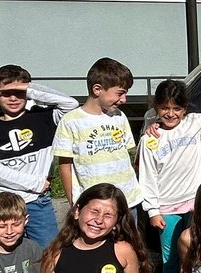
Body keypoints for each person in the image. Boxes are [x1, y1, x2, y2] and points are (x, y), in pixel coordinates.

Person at [0, 65, 79, 248]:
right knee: (10, 252)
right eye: (6, 93)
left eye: (19, 92)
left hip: (38, 202)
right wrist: (36, 183)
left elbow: (70, 104)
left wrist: (30, 89)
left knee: (49, 251)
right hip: (4, 203)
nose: (13, 98)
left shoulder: (44, 117)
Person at [138, 79, 201, 273]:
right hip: (167, 208)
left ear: (185, 108)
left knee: (198, 255)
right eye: (164, 108)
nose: (170, 114)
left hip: (195, 205)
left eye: (176, 108)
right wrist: (152, 211)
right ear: (156, 107)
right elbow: (147, 178)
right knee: (170, 259)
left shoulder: (196, 122)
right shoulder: (150, 139)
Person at [53, 57, 142, 209]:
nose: (124, 99)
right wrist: (73, 202)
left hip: (128, 200)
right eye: (120, 93)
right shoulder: (70, 121)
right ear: (97, 89)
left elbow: (127, 156)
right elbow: (65, 165)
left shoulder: (119, 116)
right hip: (94, 203)